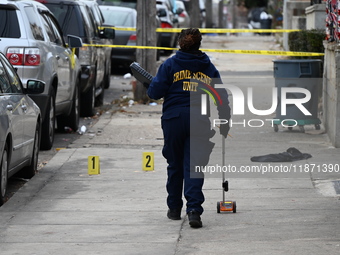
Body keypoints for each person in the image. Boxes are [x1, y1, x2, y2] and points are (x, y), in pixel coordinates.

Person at [147, 28, 230, 228]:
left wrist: (155, 85)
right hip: (198, 119)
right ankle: (194, 211)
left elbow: (154, 93)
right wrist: (224, 121)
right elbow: (221, 96)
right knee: (194, 167)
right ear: (199, 44)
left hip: (173, 120)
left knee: (175, 164)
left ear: (180, 43)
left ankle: (174, 208)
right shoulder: (207, 67)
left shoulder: (169, 65)